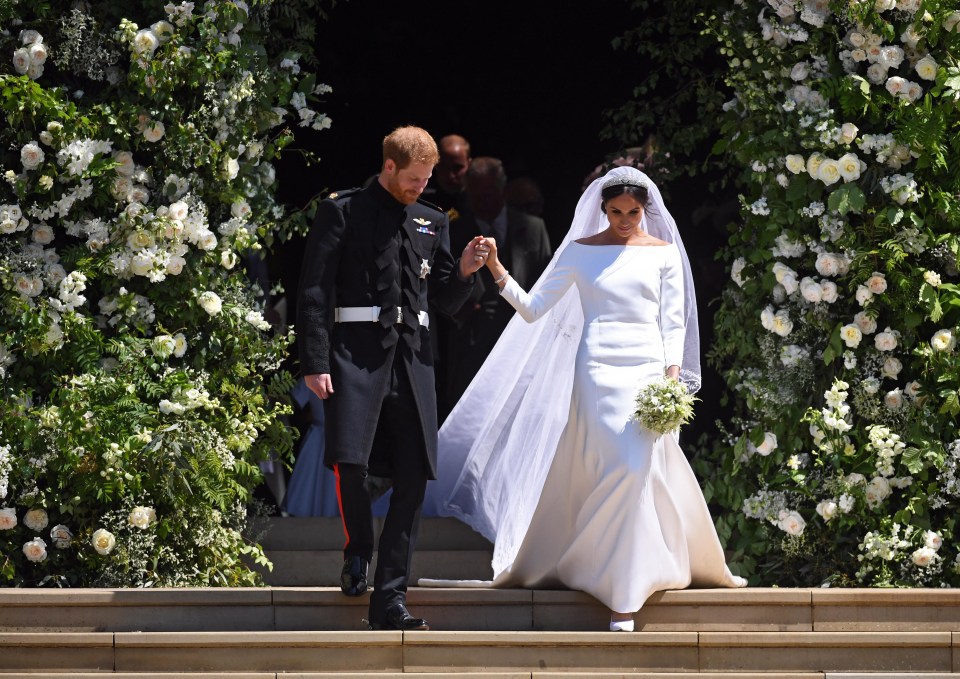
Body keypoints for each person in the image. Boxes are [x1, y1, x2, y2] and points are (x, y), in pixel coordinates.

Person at [428, 166, 746, 631]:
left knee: (633, 468)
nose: (623, 219)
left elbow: (673, 323)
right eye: (615, 211)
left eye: (633, 212)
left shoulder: (663, 254)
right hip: (596, 369)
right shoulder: (579, 253)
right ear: (602, 209)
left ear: (645, 210)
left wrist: (672, 380)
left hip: (647, 373)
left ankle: (623, 591)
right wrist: (496, 267)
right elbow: (534, 310)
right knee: (615, 467)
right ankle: (609, 580)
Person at [297, 126, 487, 631]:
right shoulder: (342, 210)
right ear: (388, 167)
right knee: (351, 464)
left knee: (411, 477)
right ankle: (358, 546)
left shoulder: (431, 221)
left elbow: (444, 300)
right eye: (413, 179)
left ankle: (390, 599)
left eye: (427, 180)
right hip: (354, 354)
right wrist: (315, 361)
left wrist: (465, 273)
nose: (421, 188)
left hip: (414, 357)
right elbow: (314, 290)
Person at [437, 157, 552, 419]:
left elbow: (544, 280)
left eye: (489, 194)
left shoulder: (533, 228)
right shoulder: (452, 229)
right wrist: (457, 311)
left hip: (519, 335)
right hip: (470, 340)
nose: (483, 202)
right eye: (477, 195)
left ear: (503, 190)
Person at [423, 134, 471, 214]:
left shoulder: (482, 203)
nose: (451, 175)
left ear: (469, 165)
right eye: (444, 167)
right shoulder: (420, 203)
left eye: (457, 168)